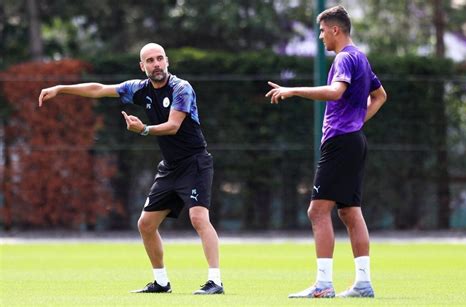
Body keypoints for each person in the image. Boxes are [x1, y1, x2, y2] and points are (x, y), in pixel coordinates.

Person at [38, 43, 224, 295]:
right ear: (142, 65)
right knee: (146, 224)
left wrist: (144, 129)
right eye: (150, 60)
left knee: (198, 218)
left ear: (167, 61)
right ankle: (161, 282)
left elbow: (173, 126)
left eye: (160, 59)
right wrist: (61, 88)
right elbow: (99, 89)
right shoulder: (139, 89)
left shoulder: (181, 88)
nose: (156, 64)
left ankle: (215, 282)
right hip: (170, 167)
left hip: (195, 162)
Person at [266, 5, 387, 298]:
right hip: (354, 139)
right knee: (349, 211)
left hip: (341, 142)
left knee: (317, 210)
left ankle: (323, 284)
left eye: (322, 31)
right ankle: (362, 283)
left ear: (335, 30)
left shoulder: (345, 58)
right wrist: (357, 121)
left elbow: (335, 92)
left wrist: (293, 90)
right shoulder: (361, 57)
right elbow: (381, 96)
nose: (320, 37)